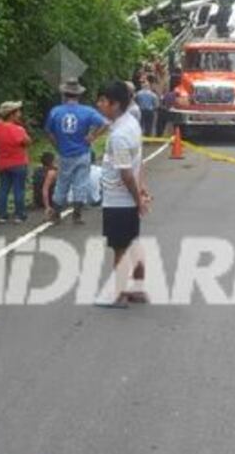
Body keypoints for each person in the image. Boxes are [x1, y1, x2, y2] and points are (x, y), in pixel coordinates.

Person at [94, 81, 151, 308]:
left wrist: (138, 200)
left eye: (102, 101)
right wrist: (142, 188)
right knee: (132, 244)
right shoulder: (131, 124)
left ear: (115, 104)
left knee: (120, 248)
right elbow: (139, 161)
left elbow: (125, 172)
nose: (99, 105)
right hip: (127, 198)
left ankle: (119, 295)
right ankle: (137, 290)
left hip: (118, 200)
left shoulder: (118, 136)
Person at [45, 78, 108, 225]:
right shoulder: (87, 111)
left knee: (62, 182)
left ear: (64, 95)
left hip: (65, 153)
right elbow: (105, 123)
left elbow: (48, 131)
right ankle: (77, 215)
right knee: (81, 182)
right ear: (79, 95)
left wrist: (57, 146)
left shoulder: (55, 111)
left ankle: (57, 214)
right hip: (83, 152)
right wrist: (93, 136)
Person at [0, 101, 30, 224]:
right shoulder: (18, 129)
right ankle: (19, 214)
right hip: (18, 162)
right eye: (17, 111)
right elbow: (27, 142)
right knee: (19, 189)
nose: (20, 114)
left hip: (2, 163)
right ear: (12, 114)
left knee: (3, 188)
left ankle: (2, 215)